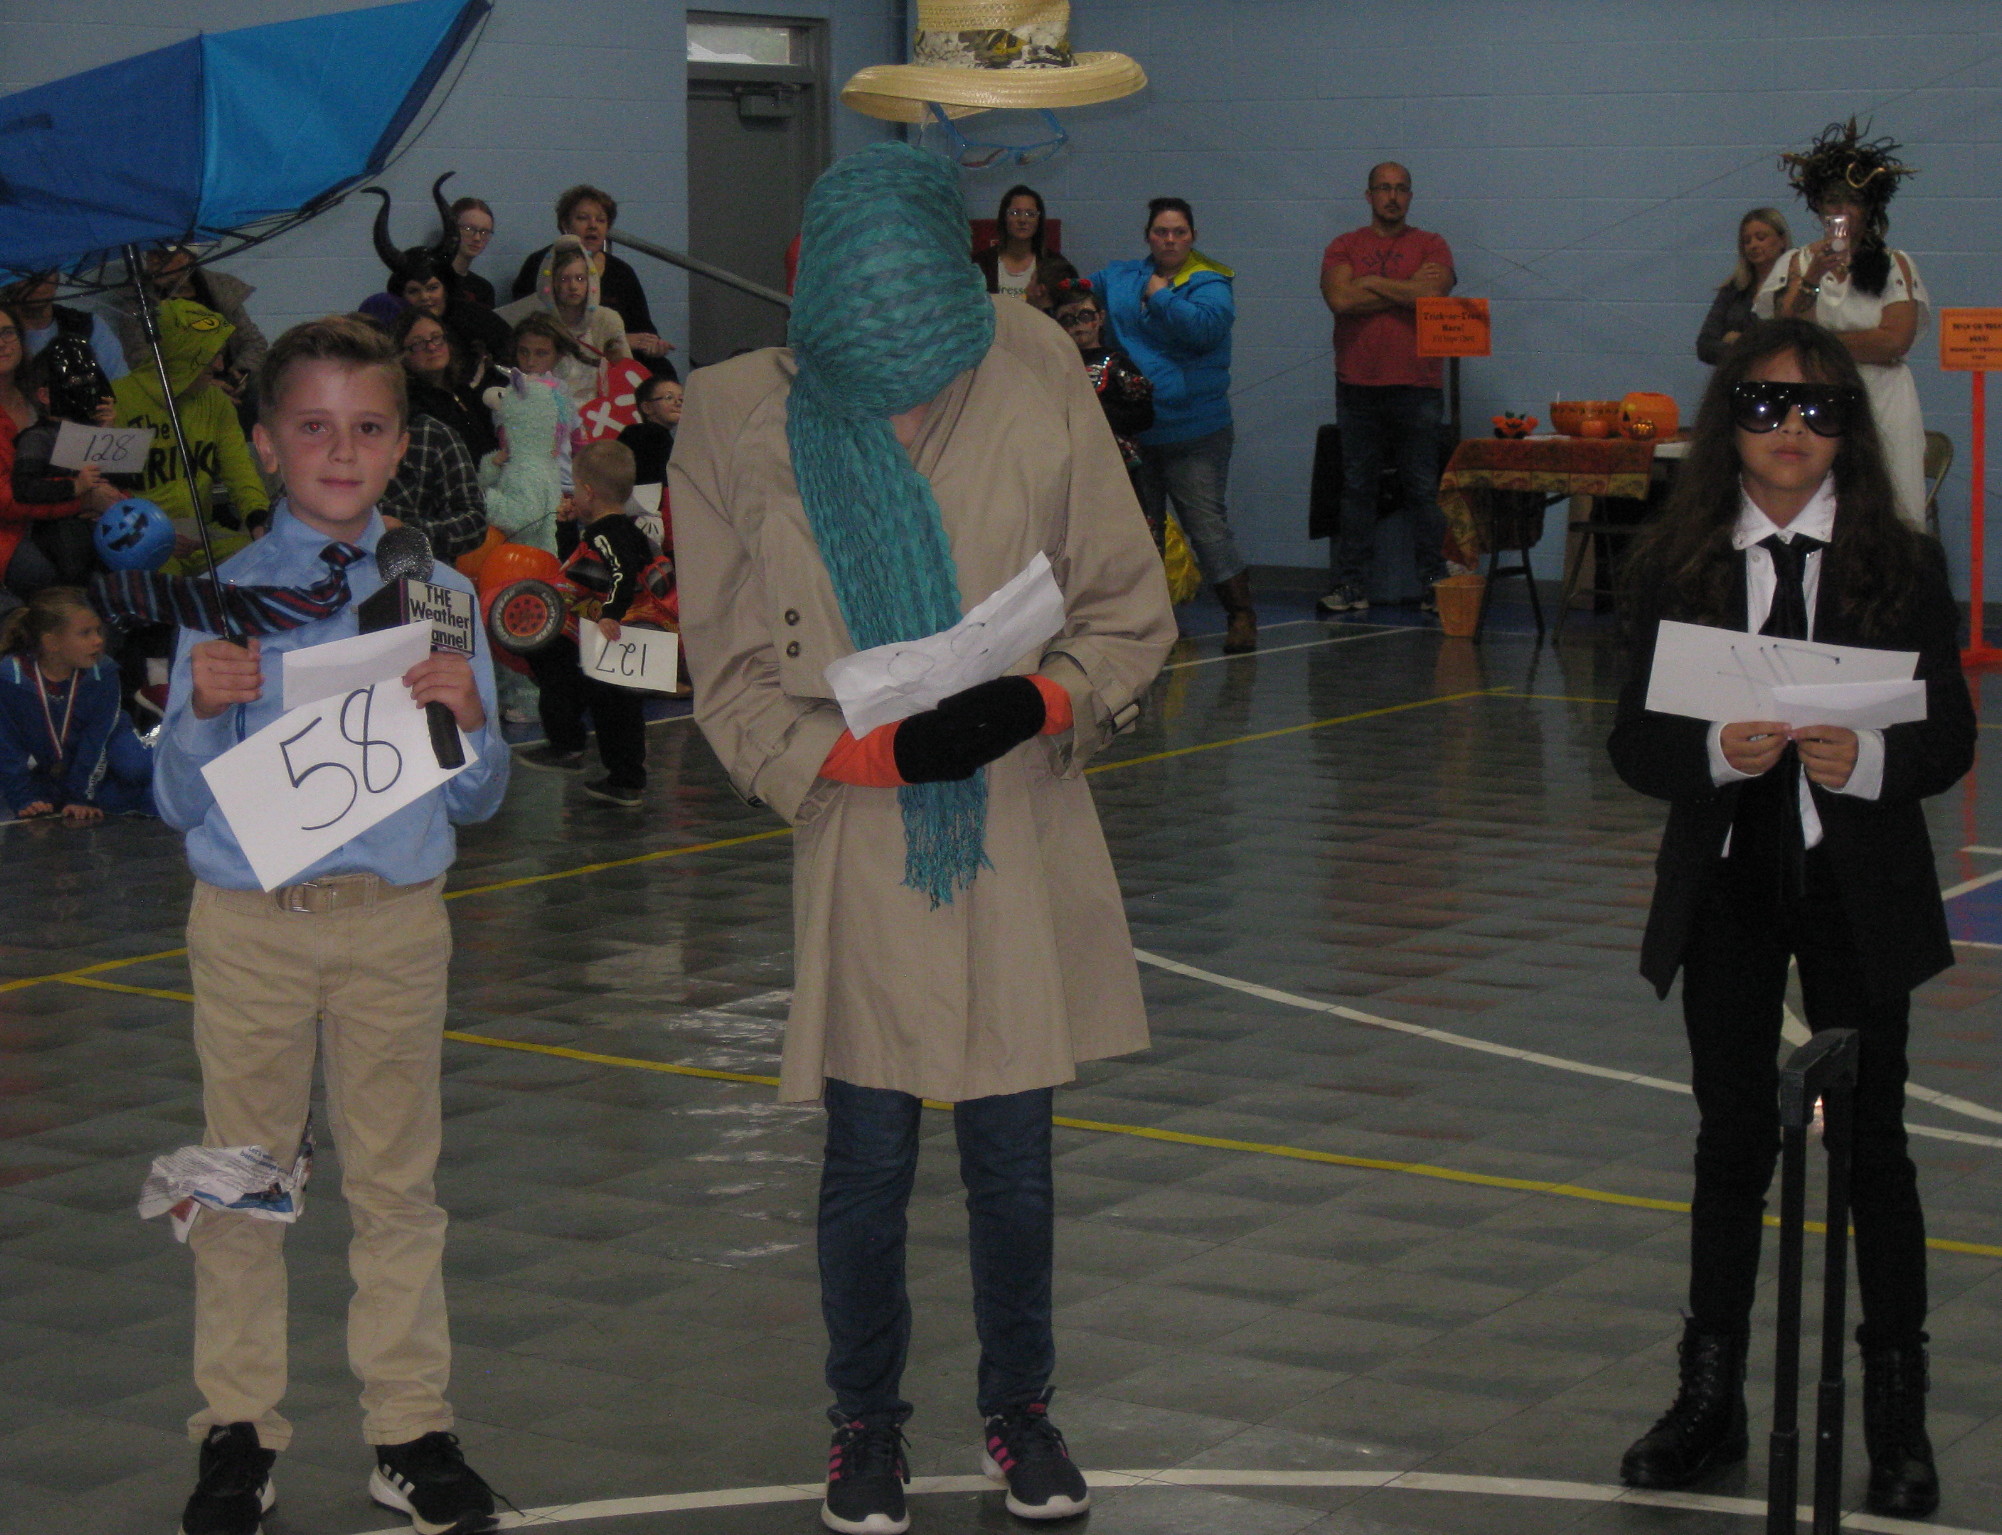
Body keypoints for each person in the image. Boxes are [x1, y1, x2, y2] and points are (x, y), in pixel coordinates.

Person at [675, 141, 1174, 1535]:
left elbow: (1126, 608)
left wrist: (1035, 699)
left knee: (1013, 1156)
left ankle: (1021, 1406)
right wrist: (868, 753)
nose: (900, 367)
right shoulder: (732, 415)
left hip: (1016, 811)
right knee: (869, 1157)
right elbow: (727, 671)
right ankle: (863, 1421)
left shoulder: (1034, 363)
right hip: (860, 827)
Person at [1607, 318, 1972, 1519]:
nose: (1790, 430)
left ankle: (1896, 1415)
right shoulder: (1676, 562)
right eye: (1764, 404)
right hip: (1724, 884)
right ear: (1730, 420)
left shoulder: (1898, 564)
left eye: (1818, 409)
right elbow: (1634, 742)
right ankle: (1706, 1396)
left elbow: (1948, 737)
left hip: (1857, 884)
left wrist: (1866, 760)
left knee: (1874, 1147)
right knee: (1729, 1139)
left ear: (1847, 431)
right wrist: (1718, 748)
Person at [152, 314, 508, 1535]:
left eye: (367, 427)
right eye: (313, 427)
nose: (341, 450)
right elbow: (177, 800)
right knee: (239, 1180)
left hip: (393, 921)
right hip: (250, 922)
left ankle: (409, 1428)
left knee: (398, 1183)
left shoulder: (437, 595)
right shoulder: (220, 600)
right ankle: (236, 1428)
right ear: (266, 442)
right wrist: (202, 711)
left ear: (401, 444)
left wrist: (469, 717)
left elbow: (478, 796)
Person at [1091, 196, 1255, 651]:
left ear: (1193, 237)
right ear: (1148, 236)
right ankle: (1153, 623)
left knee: (1206, 527)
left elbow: (1203, 330)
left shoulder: (1211, 282)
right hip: (1140, 431)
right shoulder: (1123, 277)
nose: (1169, 239)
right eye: (1161, 231)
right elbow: (1080, 288)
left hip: (1196, 433)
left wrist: (1160, 296)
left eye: (1179, 232)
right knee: (1143, 534)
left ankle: (1241, 615)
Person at [1758, 122, 1928, 530]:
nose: (1843, 211)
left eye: (1854, 201)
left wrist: (1821, 342)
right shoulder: (1797, 263)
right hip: (1818, 397)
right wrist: (1814, 276)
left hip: (1884, 397)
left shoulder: (1894, 264)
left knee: (1892, 502)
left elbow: (1894, 341)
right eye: (1833, 201)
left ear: (1869, 208)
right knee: (1820, 504)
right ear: (1818, 207)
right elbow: (1789, 332)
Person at [1318, 161, 1456, 617]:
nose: (1392, 197)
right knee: (1358, 488)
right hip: (1357, 387)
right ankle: (1350, 585)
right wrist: (1406, 289)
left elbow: (1433, 297)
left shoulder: (1432, 244)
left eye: (1401, 189)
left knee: (1422, 489)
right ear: (1369, 195)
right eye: (1384, 188)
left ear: (1410, 196)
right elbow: (1341, 299)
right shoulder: (1343, 245)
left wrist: (1373, 282)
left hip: (1418, 386)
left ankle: (1435, 584)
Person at [514, 440, 658, 805]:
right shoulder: (623, 530)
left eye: (576, 489)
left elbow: (622, 572)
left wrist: (611, 614)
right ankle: (624, 780)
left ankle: (568, 745)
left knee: (565, 672)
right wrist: (565, 528)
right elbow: (579, 568)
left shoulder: (606, 534)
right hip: (625, 635)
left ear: (589, 492)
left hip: (611, 631)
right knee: (618, 708)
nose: (573, 496)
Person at [111, 299, 270, 549]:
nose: (220, 366)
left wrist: (258, 519)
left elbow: (240, 472)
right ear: (182, 353)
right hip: (139, 538)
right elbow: (101, 490)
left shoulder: (216, 402)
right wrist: (152, 533)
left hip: (200, 535)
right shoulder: (116, 400)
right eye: (210, 355)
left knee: (257, 562)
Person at [0, 586, 153, 819]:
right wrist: (23, 798)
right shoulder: (11, 678)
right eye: (85, 633)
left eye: (98, 631)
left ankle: (159, 757)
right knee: (54, 798)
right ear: (52, 643)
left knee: (135, 768)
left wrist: (81, 797)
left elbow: (97, 739)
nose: (98, 640)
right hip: (55, 756)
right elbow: (6, 743)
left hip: (106, 739)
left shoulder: (103, 672)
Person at [2, 304, 116, 601]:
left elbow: (100, 472)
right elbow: (7, 501)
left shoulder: (48, 390)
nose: (1, 343)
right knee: (56, 575)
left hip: (70, 515)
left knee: (124, 560)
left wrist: (103, 434)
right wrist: (83, 499)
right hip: (12, 530)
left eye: (7, 333)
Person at [510, 184, 668, 359]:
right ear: (565, 224)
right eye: (583, 218)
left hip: (616, 357)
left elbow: (643, 329)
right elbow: (523, 327)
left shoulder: (622, 273)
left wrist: (653, 345)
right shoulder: (539, 264)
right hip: (555, 354)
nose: (593, 226)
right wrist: (616, 341)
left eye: (600, 220)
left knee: (661, 368)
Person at [1049, 276, 1154, 512]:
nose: (1078, 325)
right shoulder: (1053, 367)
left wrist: (1098, 413)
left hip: (1113, 463)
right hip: (1065, 461)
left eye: (1085, 316)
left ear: (1100, 318)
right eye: (1067, 320)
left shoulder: (1117, 364)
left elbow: (1144, 417)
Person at [496, 237, 630, 409]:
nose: (573, 286)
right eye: (564, 279)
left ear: (590, 281)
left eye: (580, 279)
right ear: (552, 283)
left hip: (599, 412)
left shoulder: (607, 320)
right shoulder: (537, 320)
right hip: (547, 408)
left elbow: (627, 374)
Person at [110, 247, 265, 395]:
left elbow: (253, 341)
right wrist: (201, 385)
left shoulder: (219, 289)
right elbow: (142, 359)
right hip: (179, 390)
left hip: (232, 382)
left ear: (187, 257)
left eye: (164, 256)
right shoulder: (138, 300)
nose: (154, 261)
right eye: (151, 254)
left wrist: (240, 374)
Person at [394, 308, 504, 462]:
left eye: (436, 337)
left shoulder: (463, 389)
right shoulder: (413, 408)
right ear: (402, 355)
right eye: (418, 343)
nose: (432, 347)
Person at [1697, 208, 1789, 366]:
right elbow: (1705, 346)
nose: (1753, 245)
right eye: (1747, 241)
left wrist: (1739, 340)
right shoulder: (1733, 288)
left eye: (1761, 238)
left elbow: (1786, 344)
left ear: (1782, 240)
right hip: (1736, 377)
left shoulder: (1794, 285)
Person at [3, 272, 129, 381]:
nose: (38, 284)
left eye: (45, 272)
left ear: (57, 277)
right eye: (26, 276)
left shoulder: (88, 325)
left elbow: (119, 382)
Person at [973, 184, 1047, 301]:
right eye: (1015, 213)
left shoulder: (1054, 265)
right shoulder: (980, 264)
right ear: (1004, 218)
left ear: (1039, 220)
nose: (1022, 220)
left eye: (1030, 214)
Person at [618, 374, 680, 485]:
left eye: (681, 399)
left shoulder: (661, 436)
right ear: (647, 407)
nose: (678, 403)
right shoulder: (649, 435)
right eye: (669, 397)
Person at [446, 196, 498, 308]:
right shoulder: (434, 281)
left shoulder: (483, 289)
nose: (477, 238)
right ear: (452, 229)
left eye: (484, 232)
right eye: (468, 229)